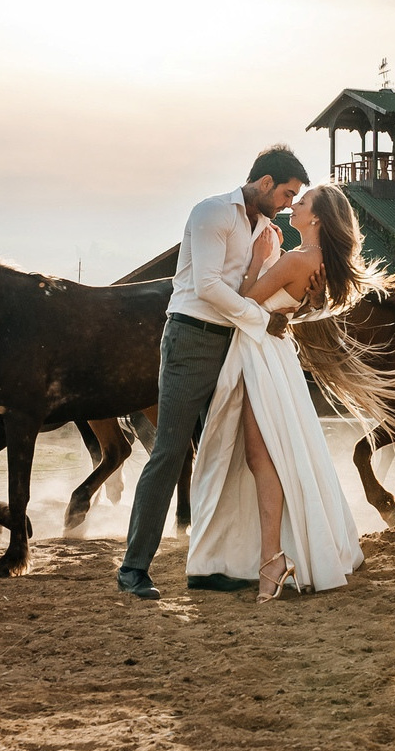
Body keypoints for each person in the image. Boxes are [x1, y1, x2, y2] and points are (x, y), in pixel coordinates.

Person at [116, 145, 310, 601]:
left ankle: (215, 565)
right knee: (169, 452)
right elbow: (206, 285)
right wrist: (261, 319)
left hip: (237, 344)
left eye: (294, 198)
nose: (287, 204)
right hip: (192, 339)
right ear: (264, 183)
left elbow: (256, 285)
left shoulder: (265, 229)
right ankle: (133, 569)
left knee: (230, 453)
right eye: (286, 193)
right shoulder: (211, 213)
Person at [184, 182, 378, 600]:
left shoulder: (297, 259)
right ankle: (274, 554)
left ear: (317, 218)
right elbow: (296, 308)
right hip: (275, 355)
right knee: (274, 453)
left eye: (301, 203)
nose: (293, 207)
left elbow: (243, 300)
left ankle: (272, 558)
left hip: (260, 356)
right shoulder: (321, 262)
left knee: (261, 455)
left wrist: (255, 260)